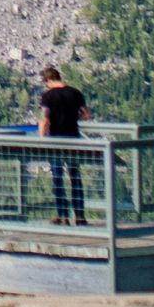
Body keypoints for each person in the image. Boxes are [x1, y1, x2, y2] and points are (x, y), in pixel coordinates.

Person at [37, 63, 89, 227]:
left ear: (48, 81)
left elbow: (45, 119)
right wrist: (73, 119)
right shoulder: (75, 93)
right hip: (73, 138)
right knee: (75, 177)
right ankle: (80, 216)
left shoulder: (48, 96)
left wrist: (41, 137)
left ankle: (63, 216)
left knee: (58, 178)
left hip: (56, 140)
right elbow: (86, 115)